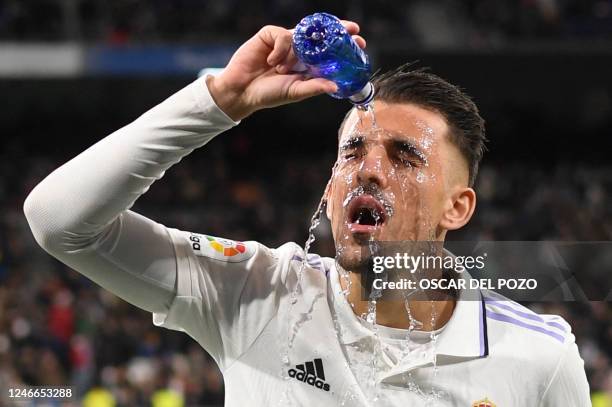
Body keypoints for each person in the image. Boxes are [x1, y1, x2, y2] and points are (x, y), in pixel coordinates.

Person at [24, 20, 590, 406]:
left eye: (405, 155)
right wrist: (219, 100)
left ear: (457, 207)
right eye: (352, 151)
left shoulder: (539, 357)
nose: (368, 170)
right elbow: (60, 220)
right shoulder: (254, 295)